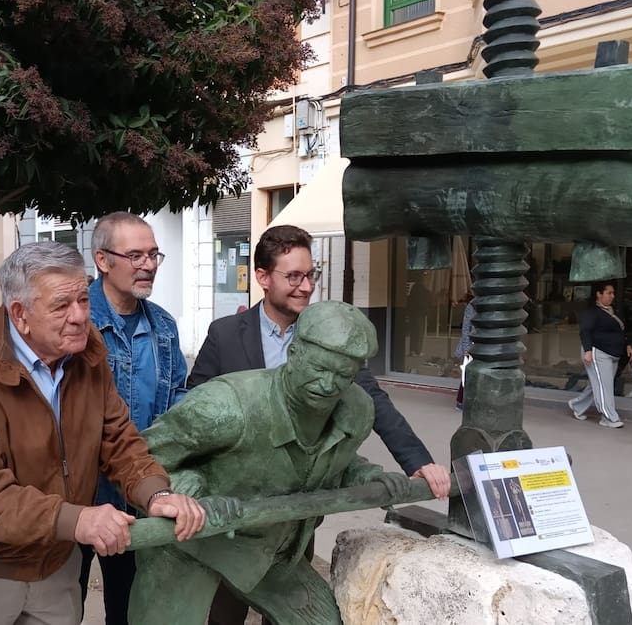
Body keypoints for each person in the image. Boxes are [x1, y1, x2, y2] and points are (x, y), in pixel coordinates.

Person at [188, 224, 451, 624]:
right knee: (223, 615)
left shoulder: (331, 337)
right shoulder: (225, 335)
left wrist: (419, 462)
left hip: (297, 514)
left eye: (311, 274)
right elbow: (196, 408)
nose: (306, 286)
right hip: (235, 517)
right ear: (262, 277)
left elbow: (374, 401)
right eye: (293, 276)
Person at [0, 241, 206, 625]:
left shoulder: (85, 349)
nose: (79, 316)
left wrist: (156, 493)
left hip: (59, 562)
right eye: (62, 305)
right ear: (20, 314)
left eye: (83, 298)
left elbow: (118, 440)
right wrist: (77, 520)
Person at [129, 301, 413, 625]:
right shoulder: (225, 407)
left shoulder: (355, 411)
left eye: (343, 375)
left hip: (269, 551)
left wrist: (368, 476)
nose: (328, 385)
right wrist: (195, 493)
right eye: (319, 370)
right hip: (190, 542)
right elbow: (142, 460)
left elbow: (333, 459)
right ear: (294, 355)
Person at [79, 212, 189, 625]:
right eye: (136, 255)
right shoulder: (76, 321)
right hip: (77, 494)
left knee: (128, 610)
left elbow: (177, 400)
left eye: (154, 255)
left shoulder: (163, 325)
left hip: (140, 495)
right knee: (61, 605)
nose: (148, 265)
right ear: (103, 261)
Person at [568, 282, 632, 428]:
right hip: (597, 352)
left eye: (613, 293)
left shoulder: (613, 311)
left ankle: (577, 406)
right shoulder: (591, 312)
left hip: (613, 353)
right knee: (605, 386)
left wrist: (627, 345)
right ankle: (609, 417)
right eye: (609, 293)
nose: (612, 296)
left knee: (598, 384)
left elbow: (621, 330)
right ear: (599, 294)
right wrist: (588, 351)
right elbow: (585, 331)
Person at [453, 292, 476, 411]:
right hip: (473, 344)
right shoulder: (472, 305)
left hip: (483, 343)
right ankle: (461, 402)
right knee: (468, 373)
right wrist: (467, 348)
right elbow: (466, 328)